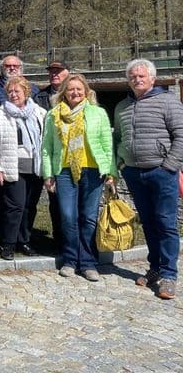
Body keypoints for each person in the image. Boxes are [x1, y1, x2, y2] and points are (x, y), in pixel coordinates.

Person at [114, 58, 183, 300]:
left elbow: (180, 135)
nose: (137, 79)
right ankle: (155, 267)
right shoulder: (122, 106)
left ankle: (169, 275)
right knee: (149, 223)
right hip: (134, 173)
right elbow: (119, 137)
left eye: (142, 76)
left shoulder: (168, 101)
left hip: (161, 172)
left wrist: (169, 166)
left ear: (152, 78)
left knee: (166, 223)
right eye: (133, 76)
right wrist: (121, 163)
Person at [41, 73, 114, 282]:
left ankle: (88, 262)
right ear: (64, 91)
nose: (75, 92)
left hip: (92, 171)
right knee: (68, 216)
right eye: (71, 89)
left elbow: (106, 143)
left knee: (88, 217)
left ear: (86, 92)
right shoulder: (53, 115)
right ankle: (70, 260)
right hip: (63, 171)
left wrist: (110, 172)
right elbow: (46, 147)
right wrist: (47, 174)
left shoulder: (98, 113)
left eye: (79, 89)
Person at [0, 76, 46, 260]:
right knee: (15, 207)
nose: (13, 94)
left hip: (35, 167)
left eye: (17, 91)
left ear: (26, 92)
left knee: (29, 207)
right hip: (12, 168)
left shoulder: (40, 113)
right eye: (10, 92)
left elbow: (46, 140)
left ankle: (24, 241)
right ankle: (8, 243)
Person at [34, 60, 70, 250]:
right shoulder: (39, 97)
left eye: (59, 71)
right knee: (54, 200)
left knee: (70, 202)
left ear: (68, 72)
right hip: (46, 153)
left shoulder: (75, 93)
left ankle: (73, 240)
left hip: (70, 155)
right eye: (52, 71)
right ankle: (58, 239)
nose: (54, 74)